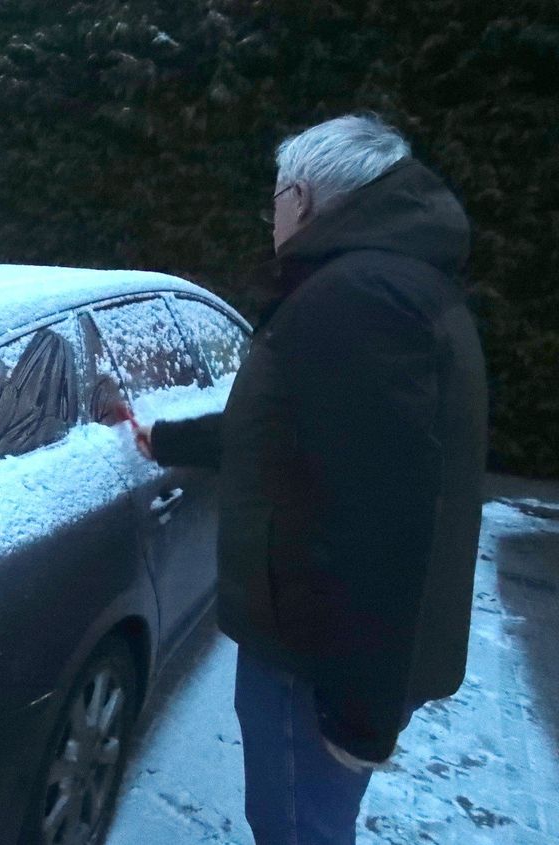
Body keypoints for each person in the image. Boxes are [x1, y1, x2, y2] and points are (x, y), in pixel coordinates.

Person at [135, 114, 488, 844]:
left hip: (313, 656)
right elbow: (296, 430)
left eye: (274, 198)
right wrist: (164, 436)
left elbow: (384, 516)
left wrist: (359, 714)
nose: (271, 217)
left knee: (296, 827)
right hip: (330, 644)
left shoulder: (353, 298)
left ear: (300, 195)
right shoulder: (393, 280)